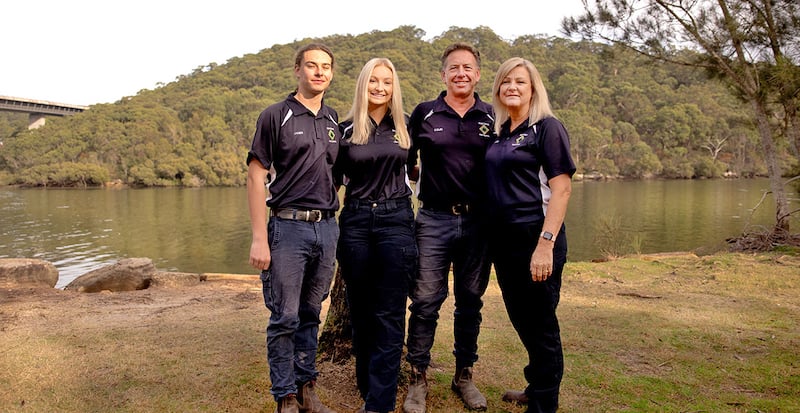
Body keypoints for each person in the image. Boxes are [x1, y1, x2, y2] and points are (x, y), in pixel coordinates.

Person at [246, 43, 341, 413]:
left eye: (326, 67)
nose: (319, 72)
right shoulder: (276, 115)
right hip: (287, 229)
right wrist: (259, 238)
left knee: (311, 312)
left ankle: (307, 389)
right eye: (312, 66)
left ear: (331, 73)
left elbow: (337, 177)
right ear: (297, 70)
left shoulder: (334, 120)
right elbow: (256, 177)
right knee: (284, 316)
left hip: (327, 229)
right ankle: (284, 396)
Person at [403, 42, 495, 413]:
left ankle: (464, 375)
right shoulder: (424, 113)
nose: (461, 73)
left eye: (467, 68)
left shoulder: (492, 116)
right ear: (443, 75)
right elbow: (408, 163)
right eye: (453, 68)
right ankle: (418, 378)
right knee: (425, 301)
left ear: (477, 74)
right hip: (433, 219)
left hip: (478, 222)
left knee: (470, 302)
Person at [485, 57, 576, 413]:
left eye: (520, 82)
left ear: (533, 88)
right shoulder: (502, 131)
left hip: (536, 239)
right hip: (503, 242)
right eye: (506, 81)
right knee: (522, 318)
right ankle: (536, 384)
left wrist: (545, 245)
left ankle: (544, 403)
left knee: (541, 325)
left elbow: (562, 190)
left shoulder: (547, 128)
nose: (512, 87)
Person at [333, 57, 417, 413]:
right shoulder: (346, 129)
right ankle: (368, 384)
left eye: (387, 81)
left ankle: (378, 404)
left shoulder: (408, 127)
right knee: (362, 311)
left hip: (396, 220)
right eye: (373, 81)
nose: (380, 87)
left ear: (394, 87)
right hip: (354, 221)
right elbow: (330, 179)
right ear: (363, 85)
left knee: (390, 313)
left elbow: (425, 168)